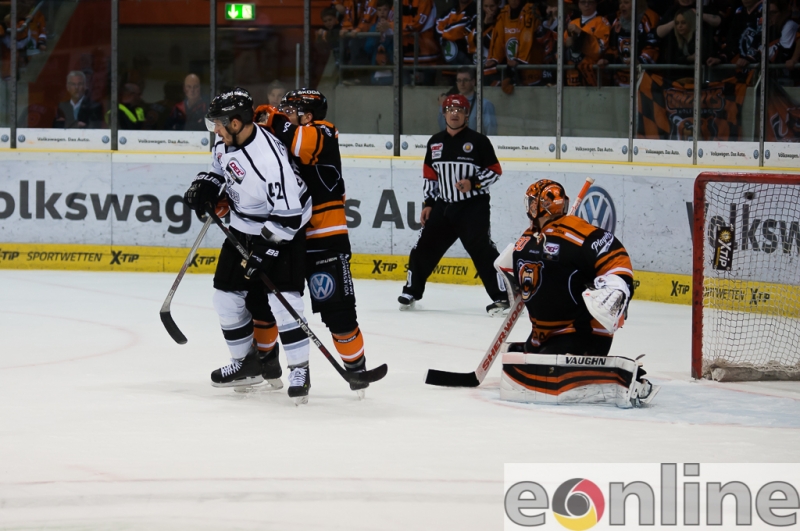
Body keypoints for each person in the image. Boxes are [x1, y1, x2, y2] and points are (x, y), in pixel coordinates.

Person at [182, 88, 314, 403]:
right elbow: (219, 170)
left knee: (284, 302)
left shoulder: (269, 160)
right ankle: (246, 364)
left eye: (219, 123)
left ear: (237, 123)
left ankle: (300, 369)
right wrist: (205, 187)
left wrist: (266, 251)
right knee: (225, 297)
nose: (215, 130)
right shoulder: (224, 140)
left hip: (283, 227)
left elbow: (290, 216)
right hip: (244, 225)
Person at [254, 89, 374, 394]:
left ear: (308, 116)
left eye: (290, 110)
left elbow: (301, 143)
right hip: (287, 239)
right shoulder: (279, 139)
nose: (283, 113)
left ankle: (356, 370)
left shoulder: (323, 131)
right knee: (268, 304)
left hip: (325, 239)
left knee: (339, 313)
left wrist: (274, 119)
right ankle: (266, 362)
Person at [495, 179, 656, 407]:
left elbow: (616, 256)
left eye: (532, 202)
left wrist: (617, 287)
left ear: (543, 205)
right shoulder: (529, 235)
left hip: (579, 334)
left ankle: (628, 379)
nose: (529, 207)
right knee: (520, 367)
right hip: (541, 335)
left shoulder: (577, 232)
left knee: (537, 379)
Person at [399, 94, 508, 316]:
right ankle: (411, 291)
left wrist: (473, 183)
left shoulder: (479, 141)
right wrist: (429, 203)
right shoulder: (435, 142)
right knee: (423, 248)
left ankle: (503, 297)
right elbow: (430, 176)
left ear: (467, 114)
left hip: (473, 207)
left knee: (482, 251)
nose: (454, 113)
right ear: (444, 113)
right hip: (444, 206)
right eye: (450, 109)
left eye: (459, 110)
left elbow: (495, 171)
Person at [485, 0, 548, 90]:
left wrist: (520, 60)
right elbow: (498, 38)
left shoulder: (531, 11)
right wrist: (494, 59)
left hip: (531, 69)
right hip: (512, 66)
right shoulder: (504, 13)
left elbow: (527, 37)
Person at [606, 0, 660, 86]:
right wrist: (606, 59)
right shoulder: (617, 21)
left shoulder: (648, 18)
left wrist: (639, 61)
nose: (622, 6)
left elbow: (652, 46)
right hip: (621, 79)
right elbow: (612, 47)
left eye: (626, 2)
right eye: (620, 3)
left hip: (644, 78)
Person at [564, 0, 611, 86]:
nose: (586, 5)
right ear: (578, 4)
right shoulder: (573, 23)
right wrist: (566, 46)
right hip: (572, 77)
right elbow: (561, 52)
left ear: (596, 3)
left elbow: (598, 50)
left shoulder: (602, 22)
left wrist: (580, 33)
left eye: (590, 2)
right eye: (583, 2)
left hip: (593, 77)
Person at [437, 67, 497, 134]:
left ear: (473, 82)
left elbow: (491, 134)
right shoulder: (451, 104)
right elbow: (443, 129)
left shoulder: (484, 105)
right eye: (459, 80)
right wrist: (442, 107)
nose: (462, 84)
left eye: (465, 80)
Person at [436, 0, 477, 66]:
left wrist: (445, 32)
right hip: (448, 58)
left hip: (467, 57)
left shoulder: (475, 10)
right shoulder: (452, 10)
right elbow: (438, 25)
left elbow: (460, 29)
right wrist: (447, 33)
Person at [363, 0, 395, 85]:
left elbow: (396, 47)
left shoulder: (393, 28)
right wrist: (376, 34)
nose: (382, 12)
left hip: (391, 64)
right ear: (376, 12)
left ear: (390, 11)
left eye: (385, 9)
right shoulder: (373, 28)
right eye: (379, 10)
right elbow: (367, 49)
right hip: (376, 67)